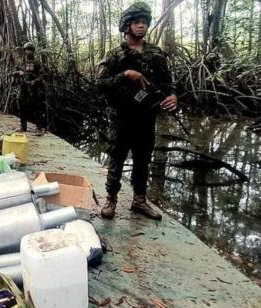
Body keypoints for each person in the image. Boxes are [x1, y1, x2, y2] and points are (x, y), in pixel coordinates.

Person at [96, 2, 177, 220]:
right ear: (127, 26)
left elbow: (167, 83)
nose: (141, 26)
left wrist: (172, 97)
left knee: (143, 159)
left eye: (144, 22)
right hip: (121, 118)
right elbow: (100, 84)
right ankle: (111, 199)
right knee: (117, 159)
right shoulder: (115, 55)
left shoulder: (155, 53)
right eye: (136, 22)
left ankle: (139, 200)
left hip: (146, 118)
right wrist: (126, 75)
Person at [14, 42, 46, 132]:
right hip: (23, 86)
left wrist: (34, 81)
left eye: (31, 50)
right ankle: (23, 127)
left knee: (36, 107)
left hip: (33, 87)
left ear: (33, 51)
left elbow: (42, 75)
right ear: (25, 51)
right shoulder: (22, 62)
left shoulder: (37, 63)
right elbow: (18, 72)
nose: (29, 52)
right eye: (27, 49)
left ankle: (39, 128)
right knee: (21, 105)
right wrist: (18, 73)